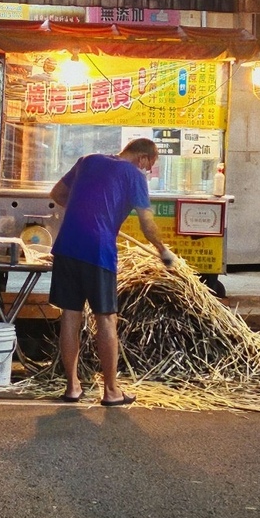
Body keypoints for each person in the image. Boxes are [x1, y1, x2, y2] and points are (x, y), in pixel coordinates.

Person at [48, 138, 175, 406]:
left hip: (67, 245)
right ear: (142, 158)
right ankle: (111, 391)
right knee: (106, 319)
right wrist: (163, 250)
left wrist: (84, 211)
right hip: (98, 251)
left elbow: (56, 194)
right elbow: (147, 225)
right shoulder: (134, 176)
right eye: (150, 166)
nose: (148, 172)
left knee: (70, 315)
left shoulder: (88, 160)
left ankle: (72, 387)